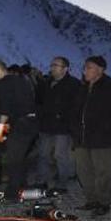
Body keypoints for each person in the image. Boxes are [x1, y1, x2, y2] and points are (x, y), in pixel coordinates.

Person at [70, 56, 111, 216]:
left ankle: (104, 202)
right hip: (82, 138)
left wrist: (108, 127)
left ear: (100, 69)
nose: (84, 70)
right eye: (85, 67)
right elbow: (75, 111)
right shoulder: (83, 88)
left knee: (103, 172)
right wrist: (73, 129)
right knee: (84, 171)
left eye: (89, 67)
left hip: (102, 139)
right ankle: (92, 200)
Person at [0, 58, 38, 202]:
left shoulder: (5, 84)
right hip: (30, 123)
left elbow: (6, 109)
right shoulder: (20, 80)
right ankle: (22, 186)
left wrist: (0, 134)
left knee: (13, 158)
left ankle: (12, 193)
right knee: (20, 157)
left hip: (20, 125)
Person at [36, 57, 80, 192]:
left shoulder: (73, 84)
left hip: (62, 127)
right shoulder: (46, 83)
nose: (52, 68)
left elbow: (76, 106)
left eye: (56, 65)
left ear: (65, 68)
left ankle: (62, 184)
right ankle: (42, 180)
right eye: (52, 65)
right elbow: (39, 101)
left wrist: (64, 117)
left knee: (61, 156)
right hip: (46, 125)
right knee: (43, 154)